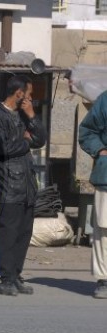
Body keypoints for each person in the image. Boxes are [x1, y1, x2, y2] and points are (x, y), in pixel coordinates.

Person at [0, 75, 46, 296]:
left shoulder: (21, 116)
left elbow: (41, 140)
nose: (30, 98)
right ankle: (6, 279)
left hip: (27, 186)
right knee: (8, 235)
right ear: (19, 93)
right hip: (7, 186)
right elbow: (5, 149)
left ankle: (16, 275)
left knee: (23, 234)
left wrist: (32, 117)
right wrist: (26, 140)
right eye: (28, 94)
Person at [78, 90, 107, 299]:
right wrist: (100, 151)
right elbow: (87, 131)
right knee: (104, 233)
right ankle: (104, 280)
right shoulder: (106, 100)